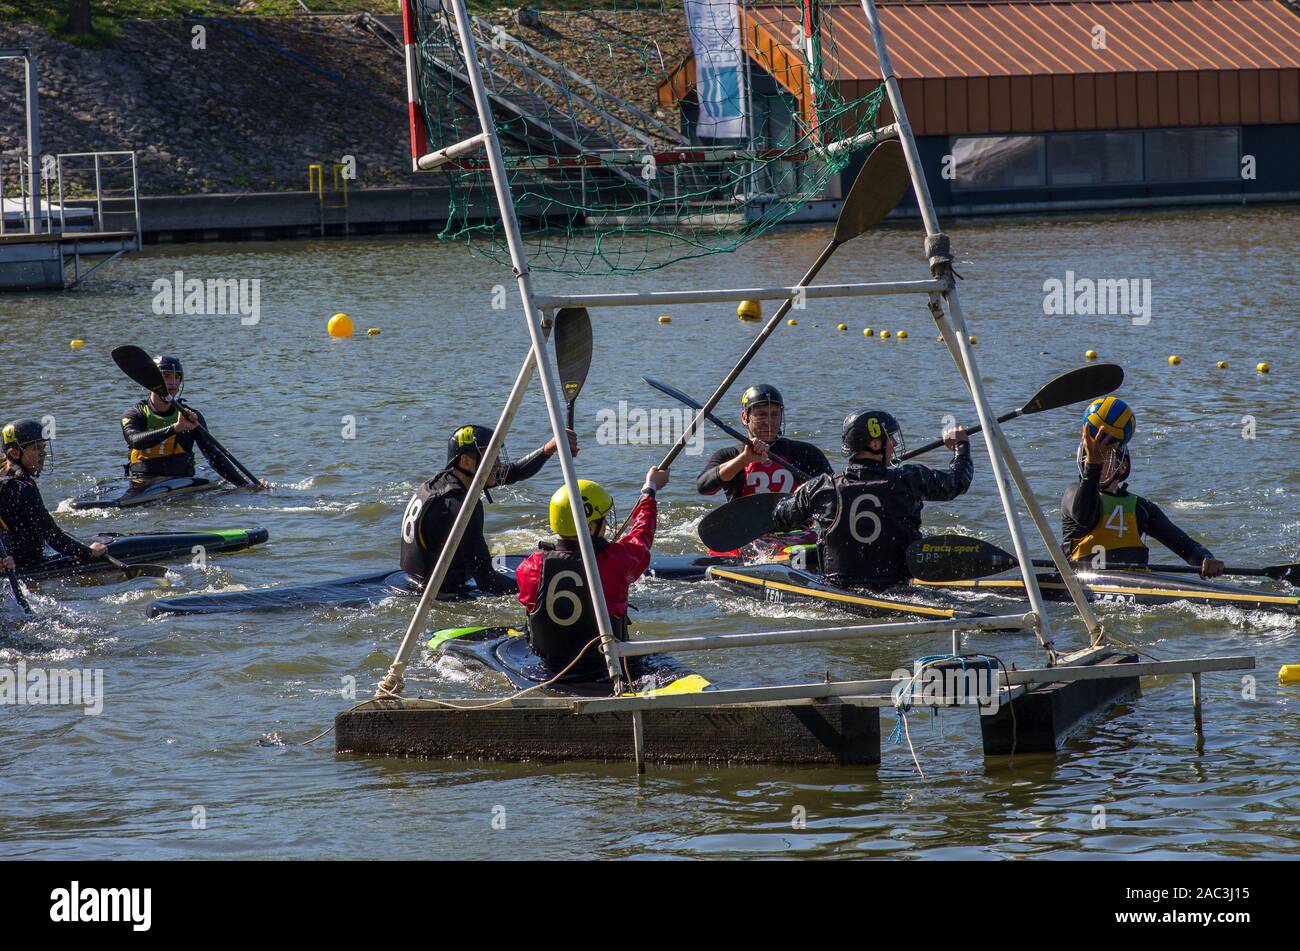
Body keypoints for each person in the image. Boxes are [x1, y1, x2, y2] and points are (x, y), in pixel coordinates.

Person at [770, 409, 972, 588]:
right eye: (890, 438)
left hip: (837, 588)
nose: (893, 443)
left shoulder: (822, 486)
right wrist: (961, 445)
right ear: (875, 444)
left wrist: (801, 494)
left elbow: (781, 518)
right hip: (895, 587)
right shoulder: (909, 478)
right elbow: (958, 481)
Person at [515, 467, 669, 675]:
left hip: (549, 668)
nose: (606, 523)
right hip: (604, 669)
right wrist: (649, 491)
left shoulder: (529, 567)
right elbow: (642, 536)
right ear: (588, 527)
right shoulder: (617, 560)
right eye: (602, 519)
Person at [400, 424, 579, 594]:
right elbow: (486, 579)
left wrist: (550, 448)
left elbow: (514, 472)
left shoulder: (443, 480)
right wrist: (544, 590)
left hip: (412, 581)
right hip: (440, 596)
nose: (499, 464)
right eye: (492, 456)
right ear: (466, 462)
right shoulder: (461, 506)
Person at [1063, 397, 1223, 578]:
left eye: (1104, 455)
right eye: (1091, 454)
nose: (1095, 458)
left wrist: (1206, 558)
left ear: (1122, 465)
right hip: (1079, 588)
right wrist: (1094, 466)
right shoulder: (1072, 494)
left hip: (1137, 591)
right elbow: (1084, 517)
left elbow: (1186, 546)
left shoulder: (1142, 509)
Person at [120, 354, 262, 491]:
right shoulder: (135, 414)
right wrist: (175, 428)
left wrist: (244, 485)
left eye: (177, 377)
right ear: (151, 380)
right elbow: (135, 441)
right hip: (142, 480)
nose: (173, 383)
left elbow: (213, 456)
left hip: (180, 481)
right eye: (166, 376)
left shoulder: (190, 416)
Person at [0, 419, 108, 572]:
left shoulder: (4, 474)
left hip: (11, 558)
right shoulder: (23, 487)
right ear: (15, 453)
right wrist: (89, 552)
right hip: (26, 564)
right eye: (36, 448)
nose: (43, 453)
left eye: (43, 447)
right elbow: (52, 536)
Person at [696, 384, 832, 500]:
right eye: (761, 415)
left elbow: (834, 494)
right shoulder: (729, 456)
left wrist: (811, 490)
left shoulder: (804, 453)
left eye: (774, 415)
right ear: (745, 417)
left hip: (797, 529)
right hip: (747, 528)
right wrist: (743, 460)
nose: (768, 422)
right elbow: (704, 488)